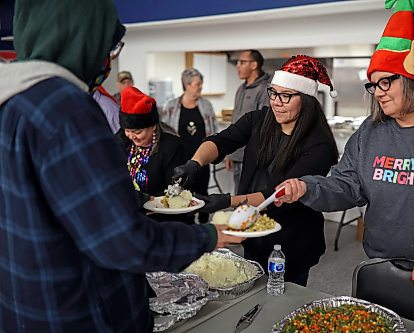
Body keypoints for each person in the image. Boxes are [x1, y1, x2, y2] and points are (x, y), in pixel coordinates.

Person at [0, 1, 242, 331]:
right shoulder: (66, 108)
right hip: (82, 310)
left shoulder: (12, 103)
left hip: (26, 304)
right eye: (109, 44)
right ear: (84, 37)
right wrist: (209, 236)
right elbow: (124, 243)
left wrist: (138, 200)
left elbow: (57, 202)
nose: (110, 58)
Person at [274, 1, 414, 332]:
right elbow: (347, 185)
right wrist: (307, 187)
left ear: (412, 78)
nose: (377, 93)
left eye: (386, 82)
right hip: (383, 274)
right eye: (373, 84)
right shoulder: (371, 131)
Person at [174, 55, 339, 286]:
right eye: (274, 93)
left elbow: (279, 193)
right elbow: (221, 141)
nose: (276, 102)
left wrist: (226, 201)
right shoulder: (259, 120)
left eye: (286, 96)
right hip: (254, 230)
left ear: (307, 99)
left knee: (285, 299)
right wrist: (195, 163)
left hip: (293, 239)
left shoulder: (318, 144)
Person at [115, 86, 192, 224]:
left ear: (153, 126)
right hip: (126, 218)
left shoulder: (172, 147)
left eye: (137, 132)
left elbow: (175, 190)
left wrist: (147, 202)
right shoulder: (121, 141)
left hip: (161, 220)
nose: (132, 136)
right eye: (127, 130)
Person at [160, 68, 217, 223]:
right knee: (185, 191)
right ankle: (188, 223)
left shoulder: (206, 105)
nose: (201, 87)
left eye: (201, 83)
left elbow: (214, 129)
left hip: (202, 157)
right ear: (187, 84)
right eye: (198, 84)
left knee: (203, 190)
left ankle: (205, 220)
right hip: (180, 159)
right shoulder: (171, 106)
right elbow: (164, 132)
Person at [226, 50, 271, 194]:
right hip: (237, 154)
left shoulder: (265, 90)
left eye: (242, 62)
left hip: (253, 157)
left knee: (251, 199)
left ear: (254, 65)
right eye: (237, 62)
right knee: (239, 196)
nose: (237, 66)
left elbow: (263, 126)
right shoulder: (241, 88)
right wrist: (229, 153)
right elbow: (235, 122)